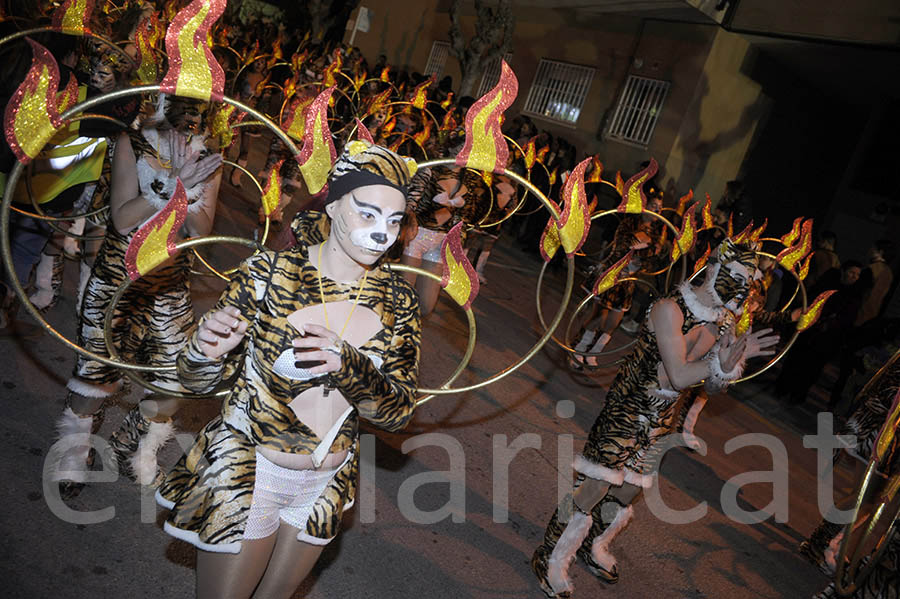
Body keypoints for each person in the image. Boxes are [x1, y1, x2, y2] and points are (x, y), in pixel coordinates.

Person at [156, 141, 421, 599]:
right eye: (368, 213)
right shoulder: (270, 274)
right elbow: (195, 383)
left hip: (327, 483)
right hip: (251, 473)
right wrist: (203, 350)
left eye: (394, 221)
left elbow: (397, 414)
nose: (382, 233)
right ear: (335, 205)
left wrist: (350, 365)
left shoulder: (399, 301)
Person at [531, 238, 779, 597]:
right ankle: (551, 556)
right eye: (735, 276)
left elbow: (707, 390)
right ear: (711, 268)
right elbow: (678, 374)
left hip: (662, 420)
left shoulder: (724, 324)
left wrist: (725, 370)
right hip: (627, 410)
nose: (741, 288)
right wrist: (716, 364)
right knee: (597, 484)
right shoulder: (669, 309)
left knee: (631, 488)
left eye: (748, 281)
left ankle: (592, 543)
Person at [48, 94, 223, 495]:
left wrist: (192, 186)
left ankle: (133, 446)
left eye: (199, 112)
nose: (191, 120)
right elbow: (124, 219)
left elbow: (202, 231)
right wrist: (173, 187)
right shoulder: (132, 141)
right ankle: (76, 451)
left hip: (169, 284)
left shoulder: (209, 157)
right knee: (96, 374)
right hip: (119, 277)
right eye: (184, 109)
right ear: (164, 104)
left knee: (173, 380)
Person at [855, 240, 894, 326]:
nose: (870, 250)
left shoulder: (872, 269)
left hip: (860, 313)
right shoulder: (889, 273)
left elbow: (858, 291)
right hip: (872, 316)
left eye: (873, 248)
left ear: (880, 252)